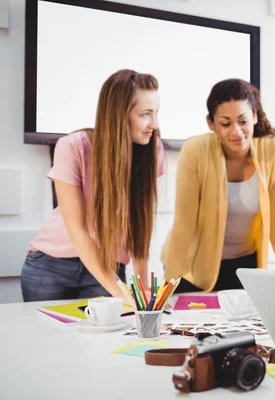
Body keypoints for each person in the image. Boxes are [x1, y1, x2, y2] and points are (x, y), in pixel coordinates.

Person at [21, 69, 166, 302]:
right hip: (50, 267)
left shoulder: (152, 151)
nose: (155, 124)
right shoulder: (72, 147)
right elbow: (77, 230)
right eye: (146, 114)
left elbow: (140, 226)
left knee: (106, 339)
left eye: (156, 113)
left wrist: (143, 292)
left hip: (108, 267)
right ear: (119, 114)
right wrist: (122, 293)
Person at [162, 78, 275, 293]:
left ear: (254, 116)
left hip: (244, 267)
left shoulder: (274, 151)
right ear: (211, 123)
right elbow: (183, 222)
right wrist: (168, 284)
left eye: (243, 121)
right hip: (193, 268)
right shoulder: (195, 150)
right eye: (226, 123)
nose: (236, 131)